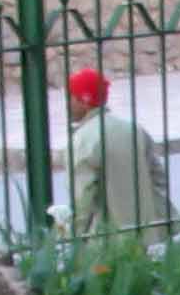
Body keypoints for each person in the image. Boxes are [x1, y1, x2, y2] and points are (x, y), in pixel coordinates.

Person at [59, 66, 170, 239]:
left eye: (70, 97)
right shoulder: (133, 129)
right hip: (146, 230)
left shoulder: (82, 140)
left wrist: (73, 236)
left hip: (107, 238)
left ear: (84, 100)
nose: (66, 105)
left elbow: (83, 199)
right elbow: (158, 177)